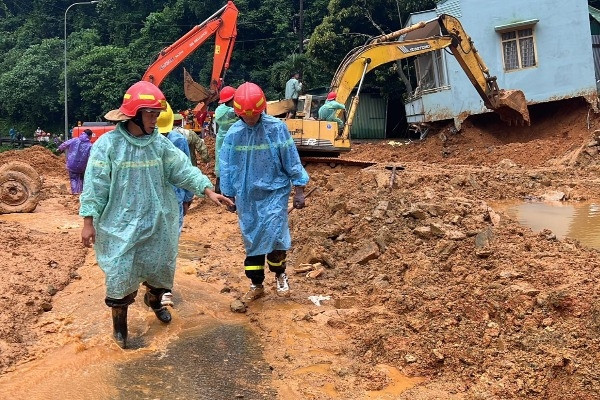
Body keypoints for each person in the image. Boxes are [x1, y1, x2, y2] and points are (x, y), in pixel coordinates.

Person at [79, 81, 233, 349]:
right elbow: (95, 185)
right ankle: (120, 329)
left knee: (159, 268)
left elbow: (182, 170)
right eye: (150, 113)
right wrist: (88, 222)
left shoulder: (160, 145)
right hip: (120, 225)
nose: (156, 118)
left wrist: (207, 190)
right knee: (120, 275)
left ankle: (154, 299)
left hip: (158, 221)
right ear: (135, 114)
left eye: (156, 112)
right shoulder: (108, 146)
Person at [219, 82, 309, 303]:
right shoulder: (234, 134)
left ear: (262, 110)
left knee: (275, 236)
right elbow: (227, 165)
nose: (250, 120)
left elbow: (291, 159)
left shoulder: (276, 129)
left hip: (274, 194)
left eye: (254, 116)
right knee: (252, 239)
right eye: (246, 117)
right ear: (237, 113)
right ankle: (256, 283)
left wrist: (299, 189)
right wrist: (228, 194)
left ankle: (280, 275)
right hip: (247, 197)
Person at [156, 102, 195, 231]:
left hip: (155, 200)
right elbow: (186, 170)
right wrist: (187, 198)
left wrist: (187, 198)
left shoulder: (143, 142)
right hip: (175, 196)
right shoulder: (179, 140)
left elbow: (186, 171)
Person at [213, 86, 237, 194]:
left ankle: (218, 188)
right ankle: (229, 190)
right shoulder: (232, 112)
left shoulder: (219, 110)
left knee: (220, 161)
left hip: (221, 137)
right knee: (232, 162)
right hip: (232, 138)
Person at [57, 129, 93, 194]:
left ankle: (75, 192)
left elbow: (65, 144)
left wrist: (59, 149)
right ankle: (81, 192)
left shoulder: (75, 140)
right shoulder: (90, 145)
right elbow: (91, 156)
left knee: (73, 179)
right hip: (82, 166)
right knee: (81, 179)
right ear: (89, 136)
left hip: (71, 164)